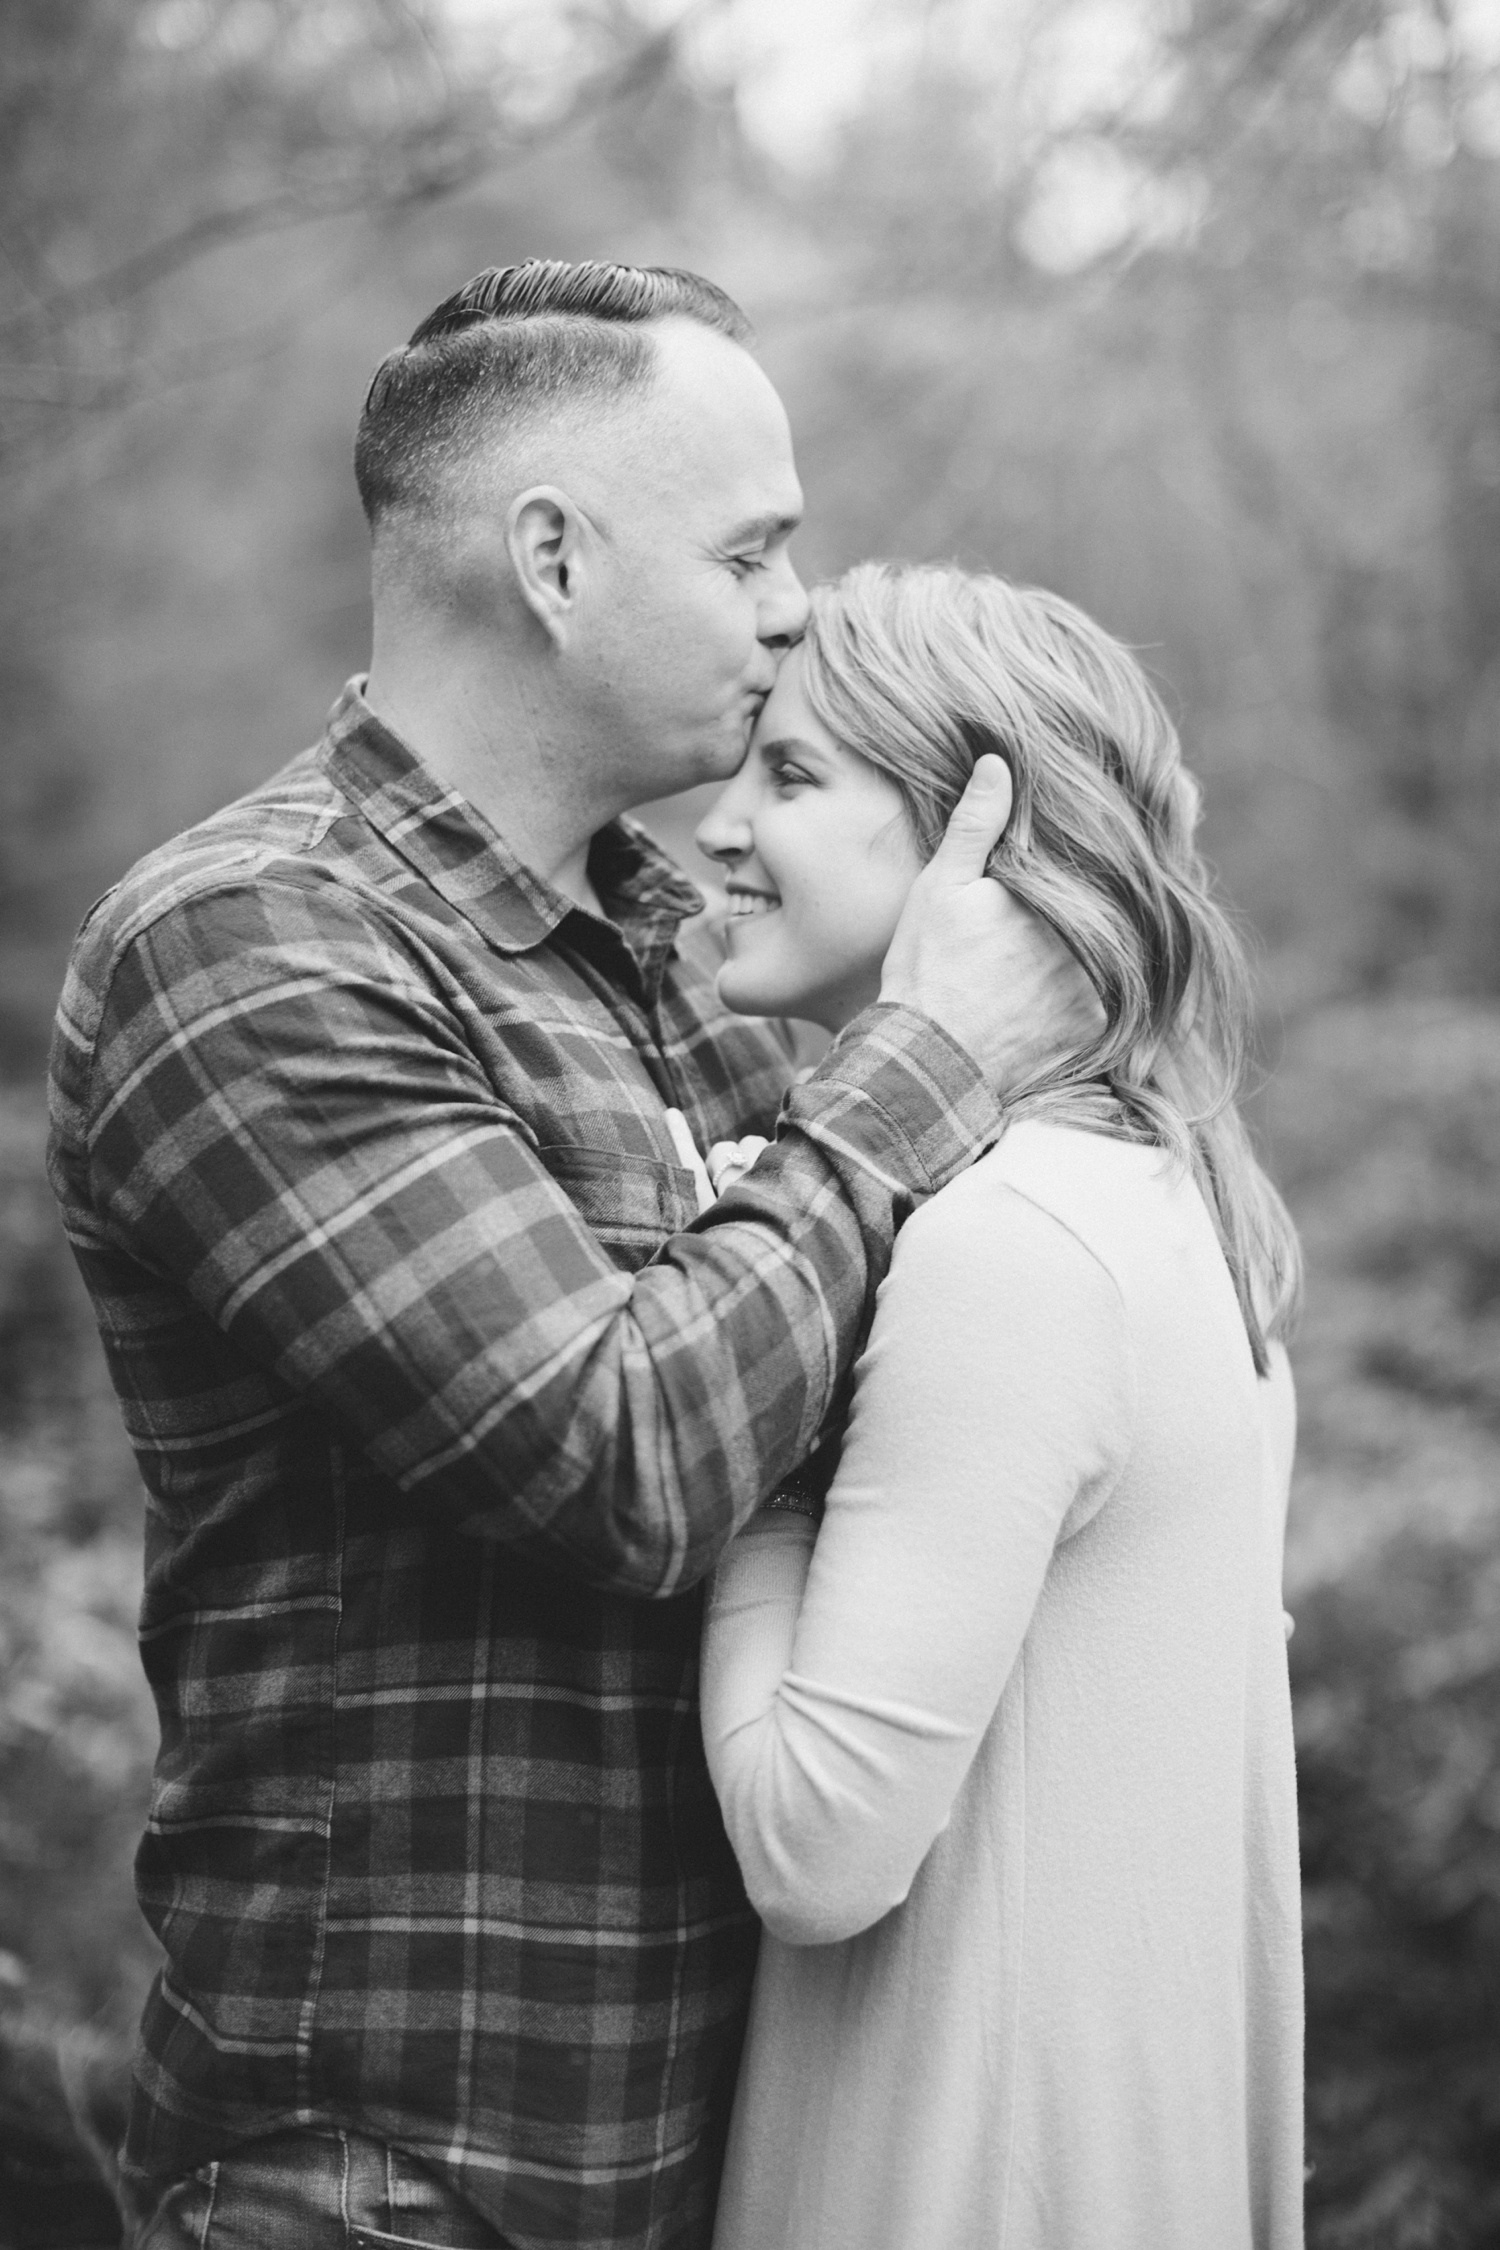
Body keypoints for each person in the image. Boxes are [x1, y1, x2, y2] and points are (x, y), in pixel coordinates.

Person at [46, 262, 1085, 2250]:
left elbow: (838, 1392)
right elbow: (633, 1462)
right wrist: (921, 1062)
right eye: (752, 551)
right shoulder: (255, 953)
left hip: (718, 2159)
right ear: (551, 560)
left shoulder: (684, 962)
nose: (797, 610)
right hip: (381, 2187)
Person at [697, 562, 1305, 2250]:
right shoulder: (1176, 1202)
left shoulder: (1013, 1245)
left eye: (795, 775)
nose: (717, 825)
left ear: (980, 839)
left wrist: (761, 1435)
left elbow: (817, 1848)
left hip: (961, 2176)